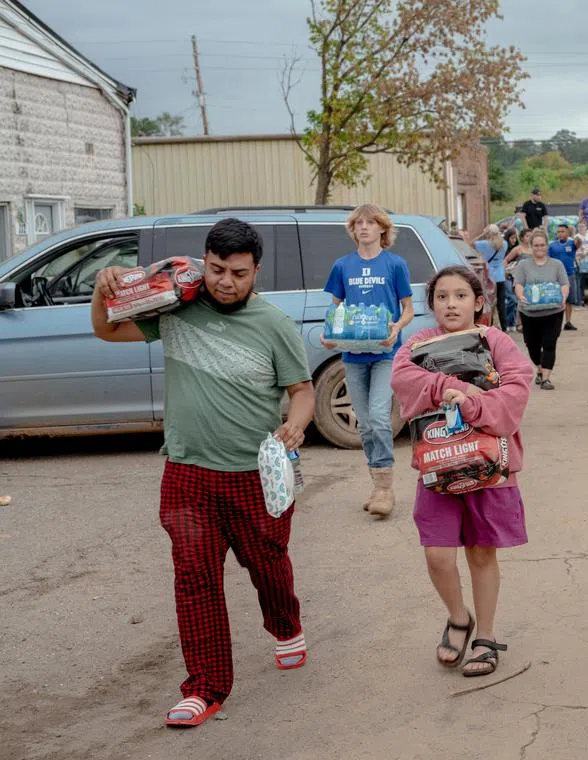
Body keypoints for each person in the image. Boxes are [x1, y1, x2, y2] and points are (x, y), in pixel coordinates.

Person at [91, 219, 316, 727]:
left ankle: (284, 624)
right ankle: (205, 687)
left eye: (238, 273)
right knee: (194, 577)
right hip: (187, 473)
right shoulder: (175, 307)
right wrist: (103, 287)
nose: (226, 282)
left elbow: (301, 390)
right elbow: (106, 328)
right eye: (216, 269)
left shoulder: (274, 324)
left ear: (256, 270)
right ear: (204, 261)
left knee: (269, 563)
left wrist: (296, 425)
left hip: (254, 476)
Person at [391, 266, 532, 677]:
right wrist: (445, 387)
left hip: (489, 463)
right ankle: (458, 617)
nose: (450, 304)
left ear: (478, 302)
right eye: (441, 297)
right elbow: (403, 379)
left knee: (481, 551)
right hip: (438, 466)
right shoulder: (417, 343)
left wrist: (471, 403)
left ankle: (485, 637)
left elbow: (516, 389)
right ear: (431, 304)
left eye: (460, 296)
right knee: (437, 555)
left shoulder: (495, 340)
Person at [323, 204, 415, 518]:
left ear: (382, 229)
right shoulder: (342, 266)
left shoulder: (395, 264)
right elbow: (335, 309)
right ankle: (376, 484)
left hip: (385, 353)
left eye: (370, 222)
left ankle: (386, 490)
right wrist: (330, 334)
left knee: (378, 415)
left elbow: (408, 309)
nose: (363, 227)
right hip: (352, 354)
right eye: (358, 223)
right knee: (364, 424)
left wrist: (397, 328)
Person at [513, 229, 570, 389]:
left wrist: (563, 297)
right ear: (531, 246)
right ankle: (539, 368)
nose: (539, 248)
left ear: (547, 246)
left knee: (550, 343)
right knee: (532, 344)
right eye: (536, 245)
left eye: (542, 245)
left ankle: (546, 378)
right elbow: (518, 284)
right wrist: (520, 295)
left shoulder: (556, 265)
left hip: (553, 312)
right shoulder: (523, 265)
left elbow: (564, 283)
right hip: (529, 313)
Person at [475, 224, 510, 330]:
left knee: (488, 304)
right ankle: (504, 326)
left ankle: (489, 326)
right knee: (501, 304)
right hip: (500, 276)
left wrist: (483, 233)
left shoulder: (484, 244)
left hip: (489, 278)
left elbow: (470, 243)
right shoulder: (504, 244)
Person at [548, 224, 580, 329]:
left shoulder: (572, 243)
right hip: (556, 276)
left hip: (570, 274)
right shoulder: (552, 245)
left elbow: (579, 243)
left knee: (569, 300)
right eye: (558, 232)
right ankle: (556, 323)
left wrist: (575, 233)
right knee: (557, 300)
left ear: (567, 232)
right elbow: (548, 260)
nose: (560, 234)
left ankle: (568, 322)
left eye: (563, 231)